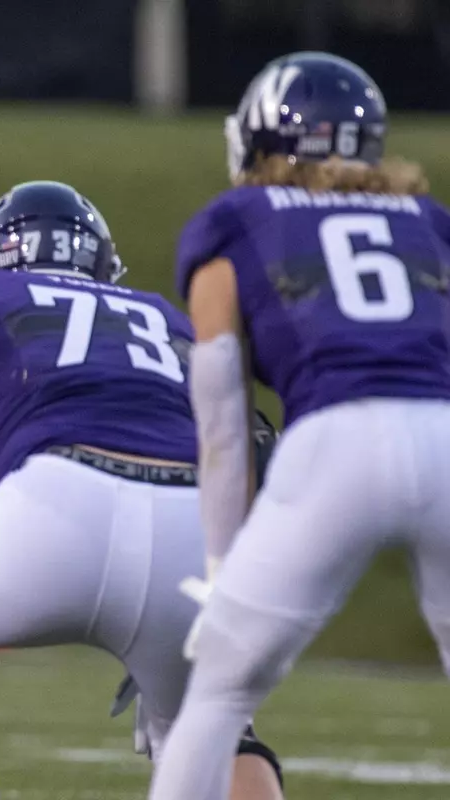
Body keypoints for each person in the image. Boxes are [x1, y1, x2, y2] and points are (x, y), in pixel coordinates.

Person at [0, 181, 285, 800]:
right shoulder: (162, 320)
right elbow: (250, 448)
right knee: (215, 724)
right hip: (192, 525)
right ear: (104, 269)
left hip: (56, 502)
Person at [149, 51, 450, 800]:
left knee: (215, 692)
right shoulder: (429, 221)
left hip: (335, 442)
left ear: (255, 141)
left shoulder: (236, 219)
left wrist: (221, 570)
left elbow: (221, 426)